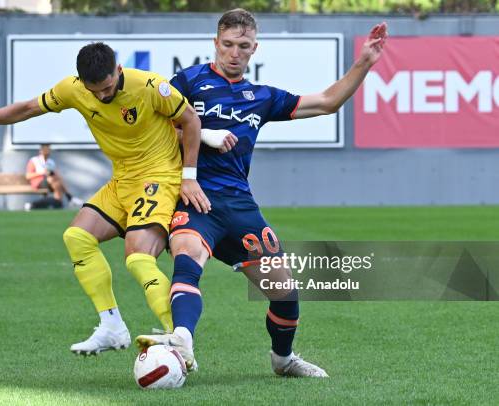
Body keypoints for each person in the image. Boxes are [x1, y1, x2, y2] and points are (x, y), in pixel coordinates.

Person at [136, 9, 388, 376]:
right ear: (215, 43)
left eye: (243, 46)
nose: (234, 52)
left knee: (285, 292)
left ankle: (283, 360)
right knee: (187, 255)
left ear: (255, 48)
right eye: (227, 44)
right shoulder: (187, 82)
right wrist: (201, 135)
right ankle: (183, 339)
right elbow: (152, 130)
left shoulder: (262, 96)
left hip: (240, 207)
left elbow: (327, 103)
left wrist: (364, 63)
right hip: (194, 199)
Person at [0, 42, 210, 356]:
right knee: (77, 237)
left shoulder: (150, 86)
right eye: (94, 91)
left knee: (138, 257)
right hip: (122, 179)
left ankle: (179, 341)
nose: (101, 96)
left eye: (108, 88)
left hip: (157, 176)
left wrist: (189, 177)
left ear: (119, 70)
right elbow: (30, 107)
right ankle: (112, 326)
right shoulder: (73, 89)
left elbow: (192, 121)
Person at [24, 143, 82, 210]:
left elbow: (56, 175)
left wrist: (53, 174)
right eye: (45, 149)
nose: (47, 151)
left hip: (52, 182)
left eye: (48, 149)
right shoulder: (34, 160)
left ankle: (34, 205)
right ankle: (70, 198)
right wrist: (42, 173)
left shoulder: (50, 162)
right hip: (38, 183)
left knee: (57, 184)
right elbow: (28, 176)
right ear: (40, 150)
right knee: (53, 180)